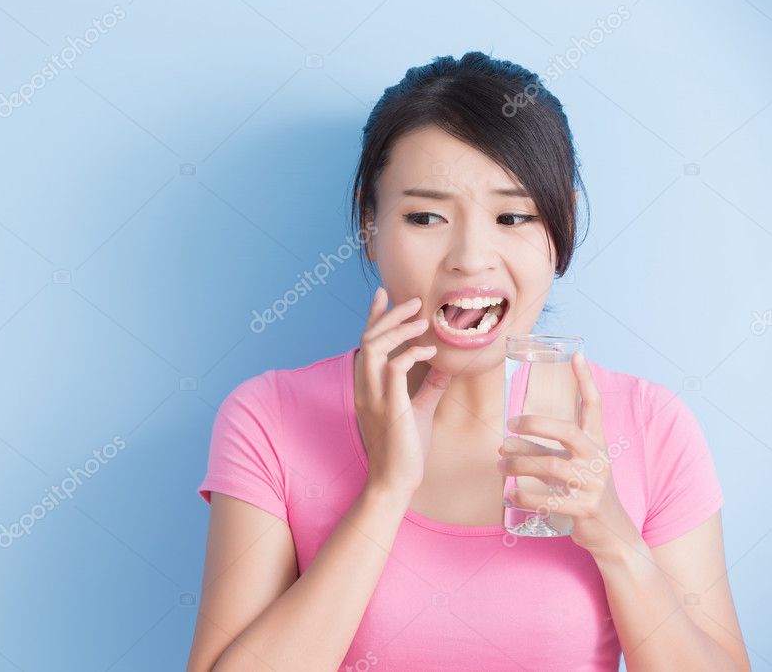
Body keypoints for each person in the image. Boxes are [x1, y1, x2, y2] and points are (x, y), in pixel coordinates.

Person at [187, 51, 749, 671]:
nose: (470, 257)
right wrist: (385, 491)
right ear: (370, 224)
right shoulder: (269, 418)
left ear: (560, 226)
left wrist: (617, 540)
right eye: (425, 216)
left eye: (513, 216)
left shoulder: (651, 426)